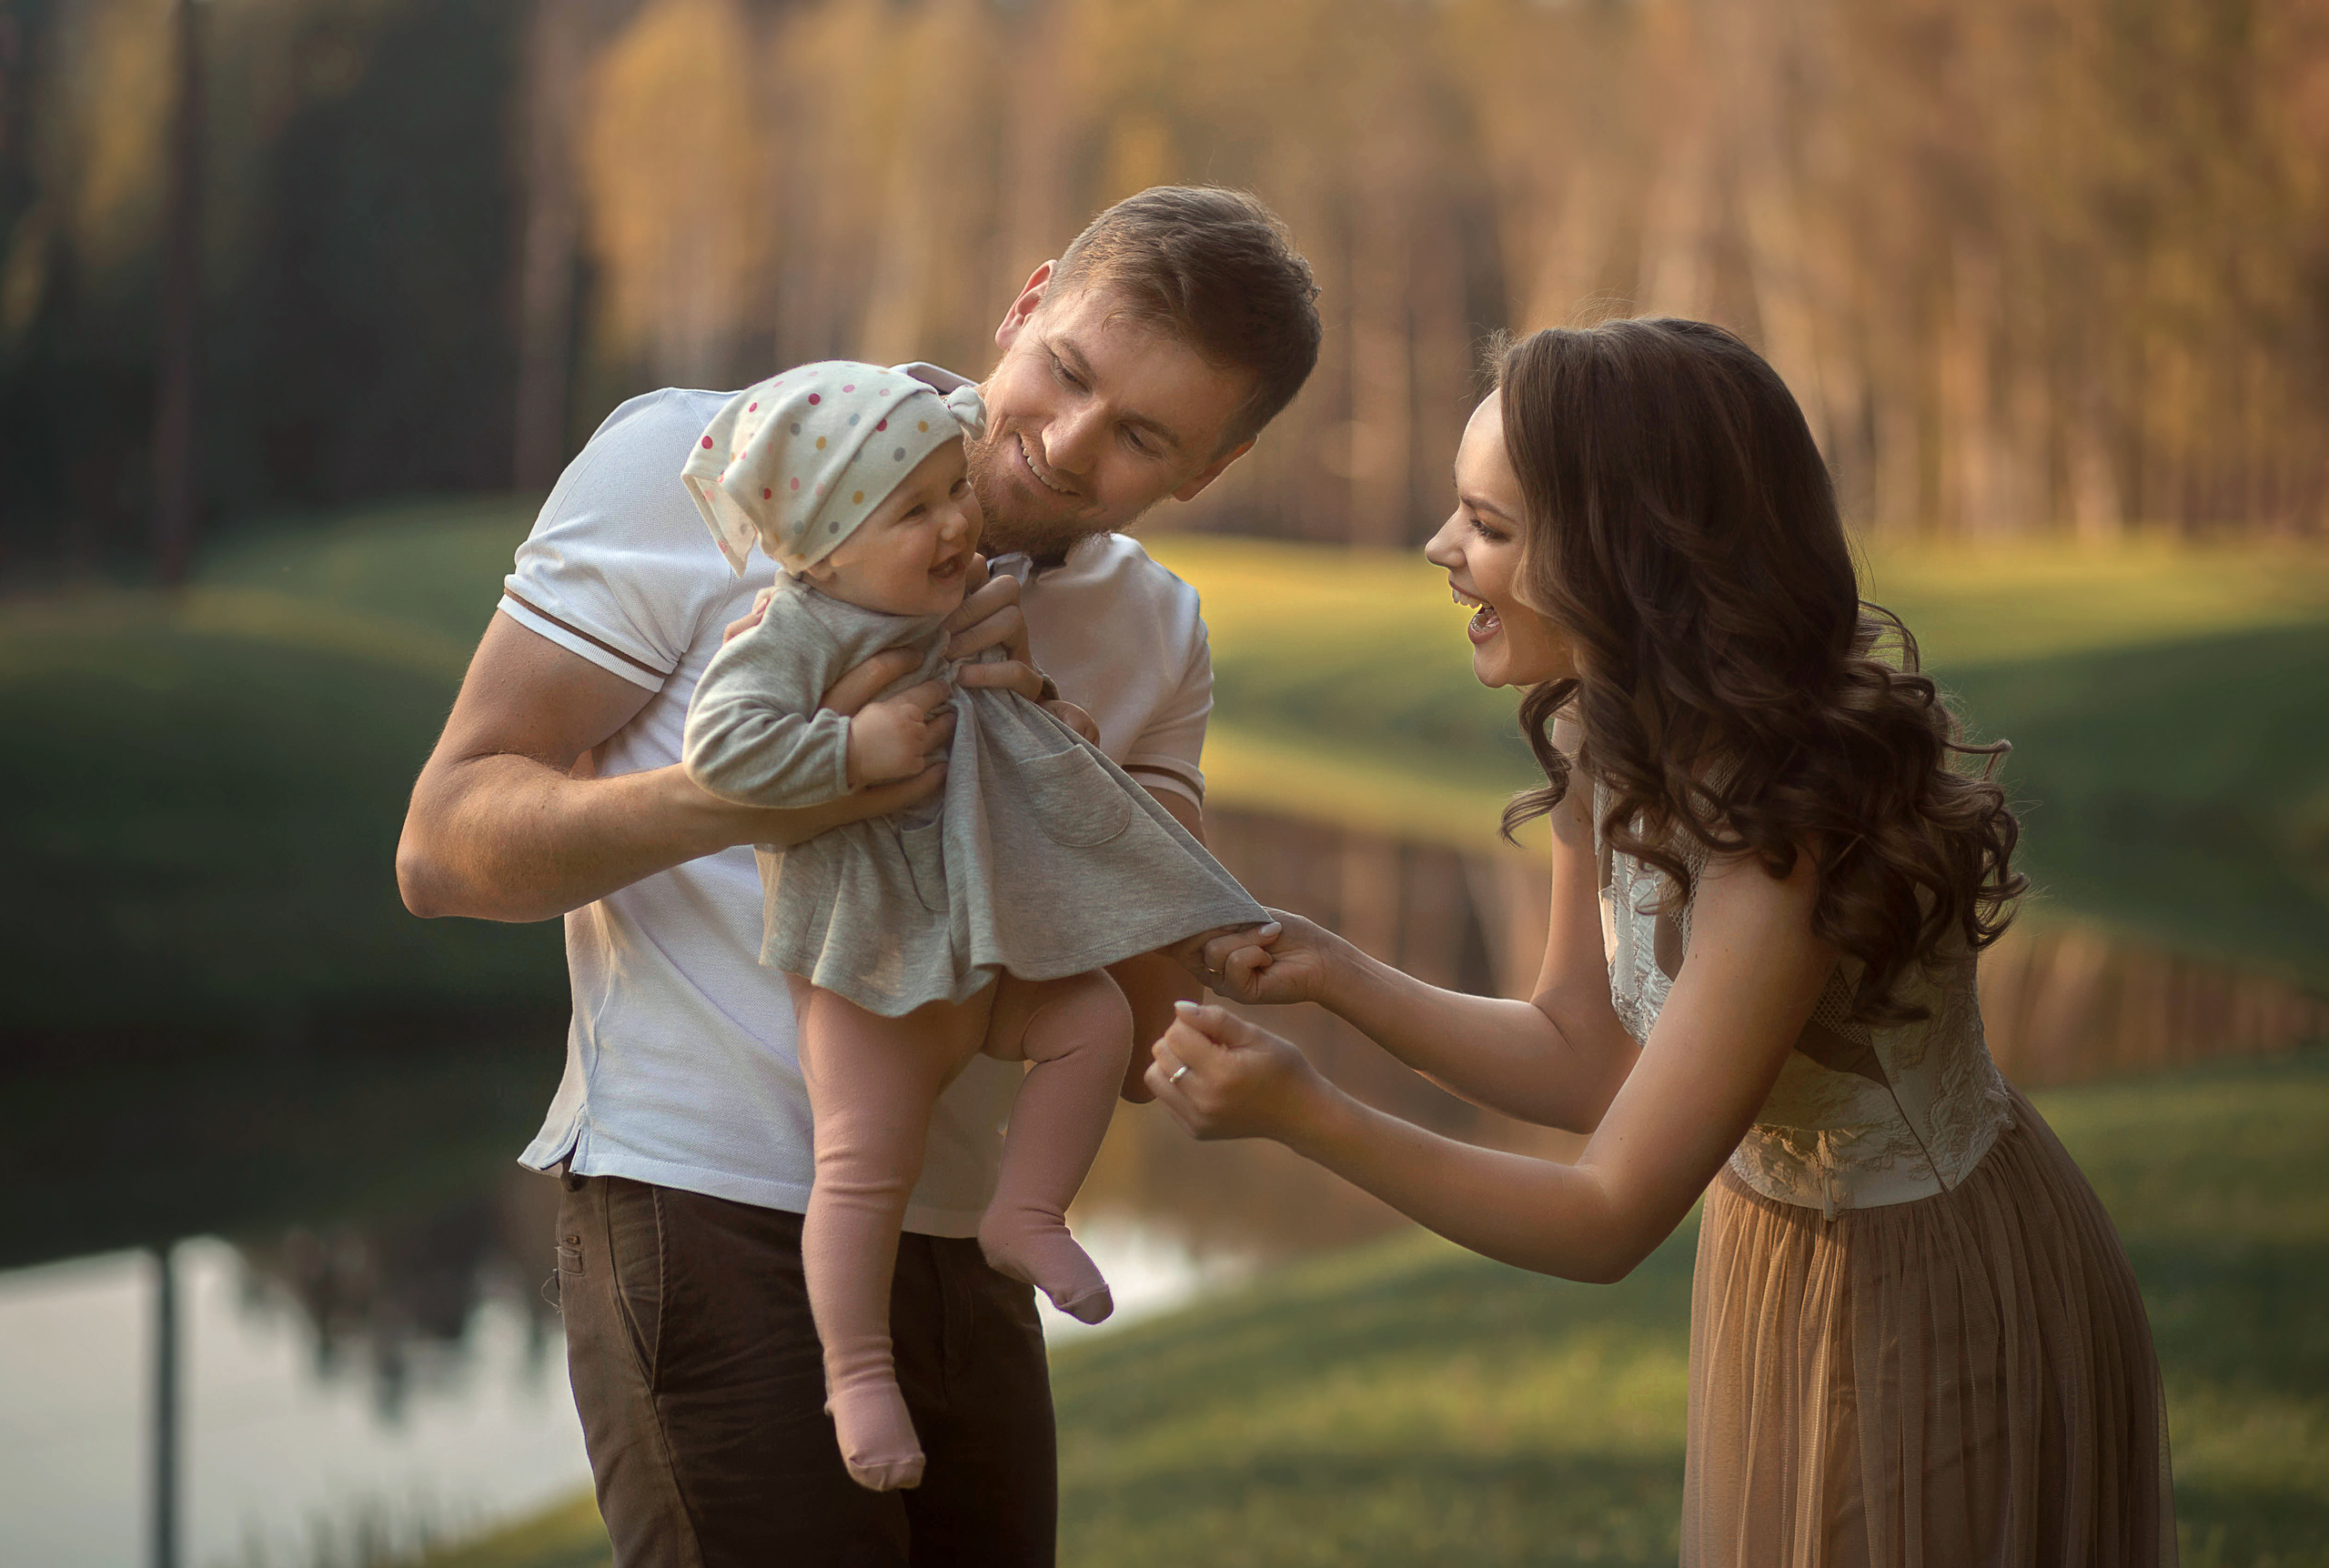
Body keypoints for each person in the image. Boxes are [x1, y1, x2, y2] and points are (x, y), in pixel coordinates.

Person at [1151, 318, 2176, 1564]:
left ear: (1623, 555)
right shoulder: (1609, 739)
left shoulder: (1782, 843)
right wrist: (1340, 975)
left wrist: (1308, 1114)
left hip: (1928, 1285)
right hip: (1778, 1257)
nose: (1442, 550)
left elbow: (1604, 1215)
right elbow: (1586, 1054)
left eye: (1490, 525)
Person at [395, 186, 1318, 1563]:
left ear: (1212, 469)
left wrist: (1060, 776)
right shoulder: (712, 459)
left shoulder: (1154, 632)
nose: (1065, 445)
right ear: (1026, 302)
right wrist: (767, 780)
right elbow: (445, 845)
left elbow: (1137, 1033)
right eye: (1065, 371)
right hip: (698, 1211)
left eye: (1141, 438)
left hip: (969, 1247)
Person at [676, 360, 1265, 1490]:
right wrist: (853, 750)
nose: (957, 524)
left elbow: (1016, 730)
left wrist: (1049, 707)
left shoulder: (950, 598)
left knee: (1091, 1020)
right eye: (916, 512)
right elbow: (724, 749)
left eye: (953, 491)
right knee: (860, 1166)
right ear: (827, 543)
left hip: (987, 953)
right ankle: (856, 1371)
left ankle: (1026, 1210)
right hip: (871, 962)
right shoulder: (796, 630)